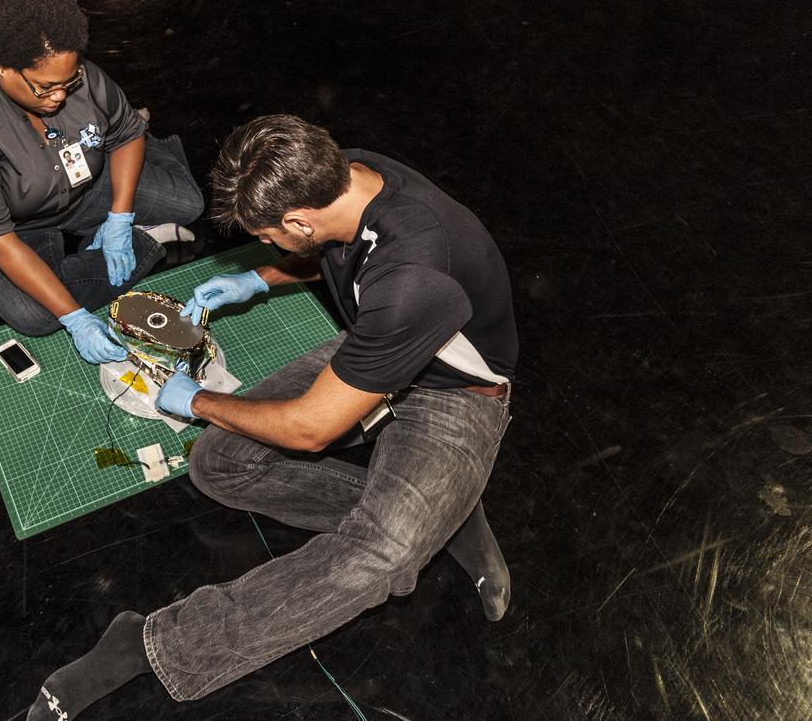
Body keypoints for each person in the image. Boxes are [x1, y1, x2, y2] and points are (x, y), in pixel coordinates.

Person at [26, 114, 518, 718]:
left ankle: (148, 646)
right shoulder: (349, 172)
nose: (271, 247)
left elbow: (312, 429)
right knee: (218, 462)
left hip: (454, 392)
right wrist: (256, 279)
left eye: (269, 238)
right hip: (376, 343)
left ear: (298, 221)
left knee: (378, 556)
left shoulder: (414, 277)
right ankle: (445, 516)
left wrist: (195, 400)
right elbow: (331, 251)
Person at [0, 0, 203, 362]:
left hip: (81, 185)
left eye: (68, 83)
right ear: (3, 67)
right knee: (36, 316)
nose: (60, 97)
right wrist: (76, 318)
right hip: (11, 227)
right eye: (45, 89)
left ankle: (120, 230)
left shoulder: (69, 72)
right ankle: (148, 241)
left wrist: (120, 215)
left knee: (190, 203)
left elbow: (127, 135)